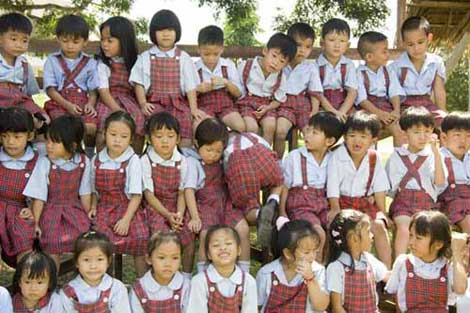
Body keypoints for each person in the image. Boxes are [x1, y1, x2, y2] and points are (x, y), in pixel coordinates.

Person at [24, 115, 91, 270]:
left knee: (84, 239)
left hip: (74, 209)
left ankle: (82, 280)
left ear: (72, 145)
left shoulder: (83, 162)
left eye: (55, 142)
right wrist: (36, 222)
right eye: (47, 140)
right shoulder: (45, 162)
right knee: (52, 242)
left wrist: (88, 217)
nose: (49, 146)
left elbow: (85, 192)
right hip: (51, 210)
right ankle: (52, 279)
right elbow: (39, 196)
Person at [327, 110, 392, 268]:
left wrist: (382, 211)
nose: (357, 141)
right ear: (345, 137)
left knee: (378, 226)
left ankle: (387, 275)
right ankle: (336, 268)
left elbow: (379, 187)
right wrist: (335, 207)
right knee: (343, 229)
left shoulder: (373, 157)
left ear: (373, 140)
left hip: (364, 204)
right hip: (342, 204)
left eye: (363, 137)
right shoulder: (337, 156)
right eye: (352, 135)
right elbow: (333, 184)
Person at [130, 9, 202, 147]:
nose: (165, 34)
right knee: (145, 123)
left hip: (177, 104)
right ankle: (142, 157)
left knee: (186, 121)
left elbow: (190, 86)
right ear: (153, 33)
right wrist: (143, 103)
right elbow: (139, 83)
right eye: (161, 30)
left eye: (170, 30)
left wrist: (193, 109)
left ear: (177, 32)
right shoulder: (146, 57)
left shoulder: (183, 57)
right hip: (154, 103)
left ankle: (184, 157)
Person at [91, 111, 148, 276]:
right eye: (113, 134)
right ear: (104, 134)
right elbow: (93, 190)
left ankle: (142, 283)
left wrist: (126, 220)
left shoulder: (132, 160)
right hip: (105, 207)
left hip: (128, 208)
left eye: (123, 136)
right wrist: (94, 206)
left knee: (140, 238)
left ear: (131, 139)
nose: (117, 140)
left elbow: (136, 195)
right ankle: (105, 282)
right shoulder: (96, 160)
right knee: (102, 242)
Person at [280, 111, 343, 260]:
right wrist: (282, 212)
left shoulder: (333, 159)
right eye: (308, 130)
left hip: (323, 204)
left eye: (314, 133)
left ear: (329, 141)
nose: (307, 136)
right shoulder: (295, 157)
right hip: (300, 205)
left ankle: (329, 265)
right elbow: (284, 187)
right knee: (318, 233)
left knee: (335, 230)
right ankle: (316, 272)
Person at [386, 106, 447, 257]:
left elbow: (439, 183)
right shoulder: (397, 155)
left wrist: (437, 154)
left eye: (427, 131)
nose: (423, 137)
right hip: (403, 202)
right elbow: (389, 188)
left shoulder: (433, 155)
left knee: (427, 229)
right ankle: (399, 264)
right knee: (404, 227)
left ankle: (425, 263)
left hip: (426, 202)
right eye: (417, 132)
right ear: (405, 134)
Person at [141, 111, 195, 277]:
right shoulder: (146, 160)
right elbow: (149, 194)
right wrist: (167, 215)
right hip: (156, 207)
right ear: (149, 139)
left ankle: (185, 276)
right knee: (159, 236)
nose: (165, 141)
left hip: (176, 205)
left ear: (178, 139)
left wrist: (178, 214)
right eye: (159, 136)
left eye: (170, 136)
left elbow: (182, 192)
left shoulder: (183, 161)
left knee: (188, 234)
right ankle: (157, 275)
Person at [385, 211, 468, 312]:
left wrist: (456, 252)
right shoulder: (403, 263)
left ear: (438, 244)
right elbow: (396, 296)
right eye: (411, 235)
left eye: (418, 238)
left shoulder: (448, 268)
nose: (411, 242)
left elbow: (460, 290)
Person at [43, 14, 99, 156]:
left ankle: (89, 154)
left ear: (84, 41)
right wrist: (67, 105)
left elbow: (93, 90)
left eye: (75, 42)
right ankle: (69, 154)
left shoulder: (90, 62)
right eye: (65, 41)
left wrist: (91, 104)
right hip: (60, 101)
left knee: (90, 126)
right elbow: (50, 89)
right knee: (61, 127)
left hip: (83, 103)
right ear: (58, 39)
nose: (69, 46)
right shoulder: (52, 60)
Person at [224, 131, 284, 247]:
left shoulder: (228, 149)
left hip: (241, 168)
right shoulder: (253, 136)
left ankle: (259, 214)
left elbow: (228, 173)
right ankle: (273, 201)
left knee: (247, 207)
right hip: (263, 159)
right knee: (278, 182)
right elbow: (270, 152)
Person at [95, 16, 145, 153]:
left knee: (138, 119)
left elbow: (139, 86)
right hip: (108, 100)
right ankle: (101, 160)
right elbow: (103, 92)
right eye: (102, 40)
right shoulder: (103, 64)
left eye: (109, 41)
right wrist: (118, 110)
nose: (104, 44)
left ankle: (136, 158)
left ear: (124, 41)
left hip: (129, 100)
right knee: (105, 121)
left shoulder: (135, 62)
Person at [257, 220, 329, 312]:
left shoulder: (317, 271)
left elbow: (321, 306)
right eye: (306, 252)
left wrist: (310, 279)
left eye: (315, 251)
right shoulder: (267, 273)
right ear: (288, 254)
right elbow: (256, 306)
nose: (312, 256)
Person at [237, 33, 296, 144]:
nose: (275, 63)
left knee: (270, 126)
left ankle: (266, 156)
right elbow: (237, 89)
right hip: (247, 103)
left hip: (267, 104)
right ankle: (251, 156)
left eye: (282, 61)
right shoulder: (247, 66)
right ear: (265, 51)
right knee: (251, 127)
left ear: (286, 64)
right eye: (274, 56)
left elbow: (279, 99)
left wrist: (268, 107)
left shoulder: (281, 76)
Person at [274, 22, 323, 159]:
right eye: (298, 45)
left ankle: (308, 164)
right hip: (284, 103)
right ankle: (277, 163)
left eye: (308, 47)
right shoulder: (282, 63)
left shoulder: (310, 67)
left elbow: (315, 91)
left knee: (310, 133)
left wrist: (314, 111)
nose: (302, 50)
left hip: (303, 105)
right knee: (280, 131)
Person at [326, 209, 390, 313]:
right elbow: (337, 308)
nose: (372, 235)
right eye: (368, 232)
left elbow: (387, 277)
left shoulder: (369, 259)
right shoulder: (336, 268)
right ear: (354, 239)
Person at [390, 16, 447, 126]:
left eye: (420, 42)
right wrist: (396, 111)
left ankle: (442, 143)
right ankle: (401, 144)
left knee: (446, 122)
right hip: (404, 106)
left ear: (429, 38)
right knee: (400, 126)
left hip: (427, 104)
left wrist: (442, 111)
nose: (416, 48)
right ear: (403, 43)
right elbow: (394, 93)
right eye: (410, 44)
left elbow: (439, 91)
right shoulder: (396, 66)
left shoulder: (436, 62)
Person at [187, 224, 258, 312]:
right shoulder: (199, 281)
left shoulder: (248, 281)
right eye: (216, 245)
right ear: (208, 254)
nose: (223, 248)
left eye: (228, 243)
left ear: (239, 250)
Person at [0, 107, 38, 263]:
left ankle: (24, 280)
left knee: (25, 237)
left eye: (17, 137)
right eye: (4, 136)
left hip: (21, 210)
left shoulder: (36, 161)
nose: (10, 142)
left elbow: (41, 192)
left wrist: (32, 210)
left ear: (29, 136)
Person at [60, 231, 131, 312]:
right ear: (77, 262)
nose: (93, 266)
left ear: (108, 261)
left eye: (100, 259)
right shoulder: (68, 293)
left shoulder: (117, 288)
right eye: (86, 260)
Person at [0, 13, 48, 131]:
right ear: (0, 39)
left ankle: (34, 147)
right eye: (14, 39)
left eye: (24, 40)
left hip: (18, 103)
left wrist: (38, 111)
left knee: (43, 120)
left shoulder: (24, 65)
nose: (19, 44)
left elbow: (31, 93)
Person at [356, 31, 404, 146]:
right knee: (371, 132)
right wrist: (378, 114)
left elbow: (394, 93)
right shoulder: (359, 73)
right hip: (368, 110)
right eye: (384, 51)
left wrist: (396, 111)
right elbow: (362, 100)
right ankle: (371, 161)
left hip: (386, 108)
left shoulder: (388, 71)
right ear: (369, 57)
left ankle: (399, 161)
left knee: (397, 131)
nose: (388, 54)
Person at [195, 25, 245, 132]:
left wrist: (226, 83)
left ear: (222, 49)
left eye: (215, 54)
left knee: (240, 126)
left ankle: (229, 143)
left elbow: (239, 93)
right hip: (204, 106)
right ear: (199, 49)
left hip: (226, 105)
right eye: (206, 54)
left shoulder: (228, 65)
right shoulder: (194, 68)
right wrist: (198, 89)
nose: (211, 58)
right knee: (205, 128)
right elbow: (186, 94)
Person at [129, 231, 191, 313]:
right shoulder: (140, 289)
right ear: (149, 259)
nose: (168, 264)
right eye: (161, 258)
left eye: (175, 258)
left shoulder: (186, 286)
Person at [316, 18, 357, 122]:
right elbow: (318, 93)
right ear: (322, 43)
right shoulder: (316, 66)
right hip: (323, 105)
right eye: (332, 40)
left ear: (347, 45)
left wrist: (341, 112)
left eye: (342, 41)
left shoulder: (348, 65)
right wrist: (332, 111)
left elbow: (352, 92)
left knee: (357, 123)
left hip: (345, 105)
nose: (337, 45)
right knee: (323, 125)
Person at [438, 111, 470, 233]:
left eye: (468, 136)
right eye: (457, 135)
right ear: (444, 138)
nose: (463, 141)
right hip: (452, 201)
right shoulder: (439, 157)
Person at [11, 238, 62, 312]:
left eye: (40, 282)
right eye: (27, 282)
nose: (33, 288)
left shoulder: (55, 302)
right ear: (19, 282)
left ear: (49, 283)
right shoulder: (11, 304)